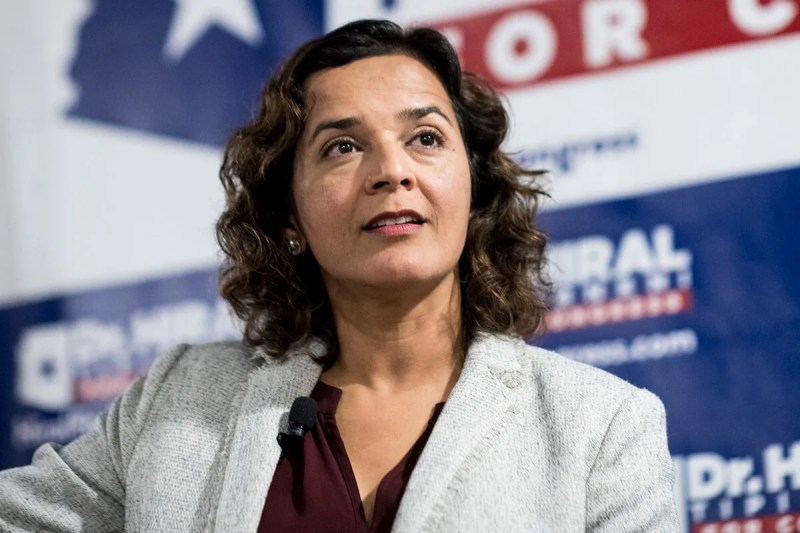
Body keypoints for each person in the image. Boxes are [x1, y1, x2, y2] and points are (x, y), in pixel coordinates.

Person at [0, 19, 678, 532]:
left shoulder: (602, 427)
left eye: (426, 138)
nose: (392, 170)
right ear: (289, 214)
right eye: (343, 146)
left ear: (472, 187)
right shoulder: (177, 399)